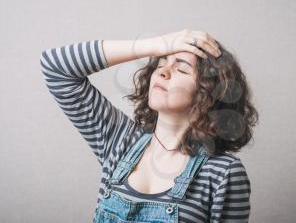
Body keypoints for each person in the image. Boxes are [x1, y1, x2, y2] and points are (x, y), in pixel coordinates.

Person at [40, 29, 259, 223]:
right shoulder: (119, 140)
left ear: (209, 94)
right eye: (161, 63)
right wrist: (156, 44)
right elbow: (55, 67)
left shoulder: (223, 173)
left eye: (181, 69)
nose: (163, 72)